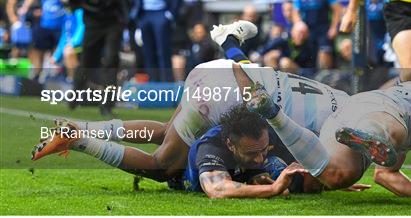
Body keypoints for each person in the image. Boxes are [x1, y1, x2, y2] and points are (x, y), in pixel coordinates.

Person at [30, 21, 350, 184]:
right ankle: (81, 139)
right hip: (227, 93)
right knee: (164, 166)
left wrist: (229, 46)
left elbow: (249, 74)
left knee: (170, 130)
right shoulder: (336, 130)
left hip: (214, 72)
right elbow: (324, 170)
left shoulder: (338, 99)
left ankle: (83, 127)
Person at [247, 58, 411, 204]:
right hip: (384, 113)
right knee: (395, 129)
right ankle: (371, 134)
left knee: (337, 176)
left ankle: (273, 113)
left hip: (355, 107)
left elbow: (385, 175)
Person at [169, 105, 312, 198]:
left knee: (279, 168)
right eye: (251, 153)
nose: (259, 159)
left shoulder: (267, 134)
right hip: (182, 179)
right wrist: (273, 188)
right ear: (231, 145)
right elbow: (217, 189)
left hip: (244, 173)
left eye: (263, 150)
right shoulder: (212, 145)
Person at [58, 0, 125, 115]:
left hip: (113, 18)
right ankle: (75, 96)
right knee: (87, 60)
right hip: (92, 19)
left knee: (111, 59)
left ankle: (107, 105)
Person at [18, 0, 65, 79]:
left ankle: (54, 76)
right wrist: (24, 7)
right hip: (46, 21)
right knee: (39, 48)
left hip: (62, 21)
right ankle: (37, 74)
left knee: (57, 49)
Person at [293, 0, 341, 70]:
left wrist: (334, 27)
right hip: (308, 31)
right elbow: (295, 11)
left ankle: (327, 81)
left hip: (324, 30)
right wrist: (298, 23)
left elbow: (337, 10)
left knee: (324, 56)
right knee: (310, 59)